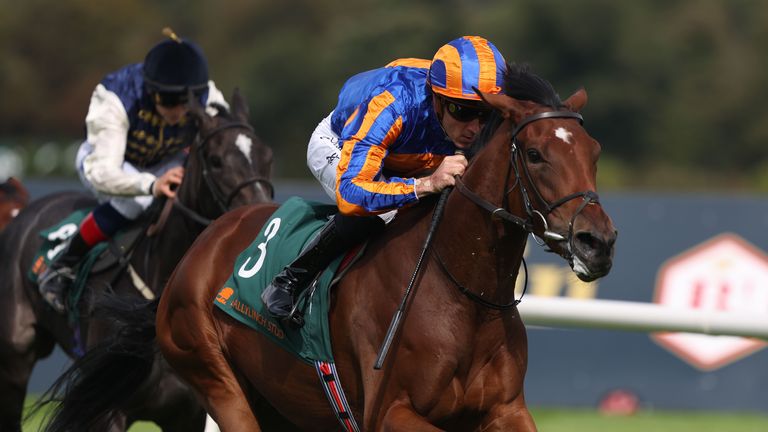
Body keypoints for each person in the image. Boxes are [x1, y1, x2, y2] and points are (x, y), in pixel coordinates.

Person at [262, 35, 507, 319]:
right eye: (463, 111)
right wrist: (424, 185)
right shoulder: (392, 105)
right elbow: (352, 194)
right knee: (383, 214)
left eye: (486, 115)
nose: (475, 128)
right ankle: (291, 280)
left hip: (408, 156)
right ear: (437, 99)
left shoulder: (471, 103)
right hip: (343, 144)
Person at [38, 29, 229, 313]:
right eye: (167, 102)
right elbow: (103, 171)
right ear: (151, 91)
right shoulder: (116, 97)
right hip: (107, 162)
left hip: (166, 160)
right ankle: (62, 265)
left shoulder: (207, 94)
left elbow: (223, 140)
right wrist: (151, 185)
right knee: (136, 202)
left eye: (184, 104)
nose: (177, 112)